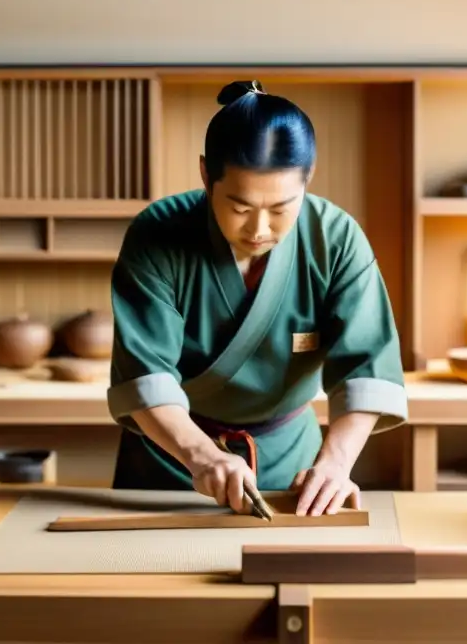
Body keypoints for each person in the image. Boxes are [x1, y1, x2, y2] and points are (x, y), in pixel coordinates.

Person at [107, 79, 408, 517]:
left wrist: (335, 463)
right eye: (240, 208)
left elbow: (368, 369)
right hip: (172, 462)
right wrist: (201, 456)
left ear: (309, 178)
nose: (260, 229)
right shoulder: (158, 234)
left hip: (292, 464)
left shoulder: (336, 239)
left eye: (282, 209)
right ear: (206, 175)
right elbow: (144, 374)